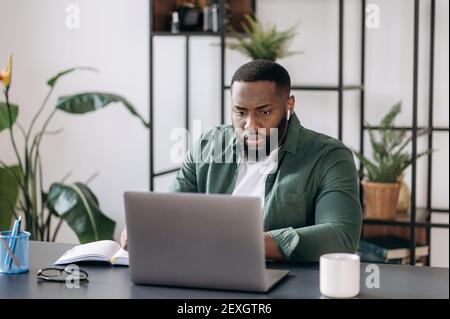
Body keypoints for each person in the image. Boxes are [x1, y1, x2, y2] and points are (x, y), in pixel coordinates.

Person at [121, 59, 362, 263]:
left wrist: (249, 243)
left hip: (285, 280)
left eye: (264, 112)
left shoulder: (329, 156)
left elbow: (340, 237)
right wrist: (144, 227)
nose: (250, 125)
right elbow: (170, 210)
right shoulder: (209, 146)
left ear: (289, 105)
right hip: (203, 271)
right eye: (240, 112)